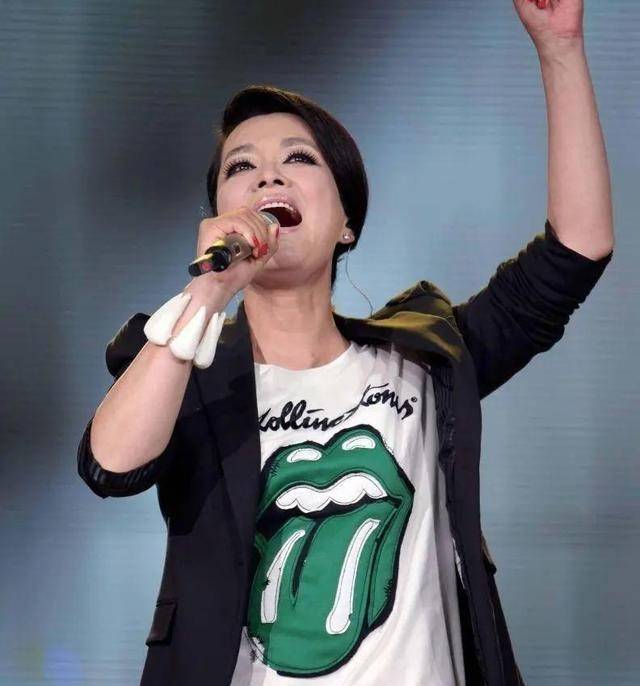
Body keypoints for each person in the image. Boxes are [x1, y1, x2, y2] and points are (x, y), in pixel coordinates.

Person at [78, 67, 612, 686]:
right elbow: (109, 466)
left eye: (298, 158)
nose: (268, 177)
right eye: (240, 167)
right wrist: (210, 290)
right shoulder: (185, 369)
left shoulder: (428, 359)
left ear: (346, 223)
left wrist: (559, 48)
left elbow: (578, 248)